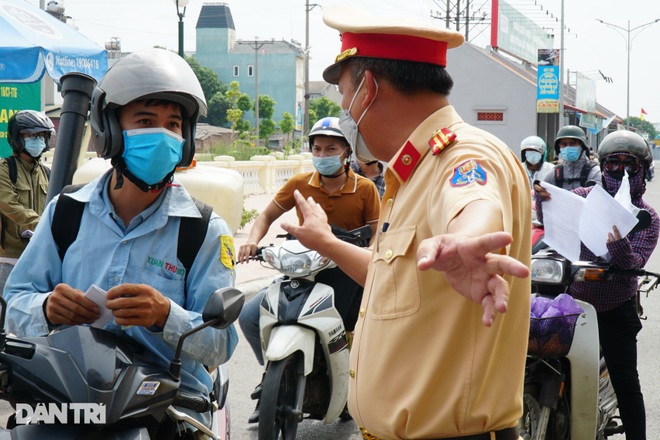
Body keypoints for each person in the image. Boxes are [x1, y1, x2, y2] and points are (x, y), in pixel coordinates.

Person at [278, 5, 532, 439]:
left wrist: (468, 240)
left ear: (369, 89)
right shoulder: (410, 172)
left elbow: (473, 202)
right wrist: (325, 241)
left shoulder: (462, 154)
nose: (344, 111)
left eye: (344, 94)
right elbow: (388, 278)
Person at [3, 48, 238, 435]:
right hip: (72, 395)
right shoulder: (65, 212)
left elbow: (221, 343)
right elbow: (16, 302)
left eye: (173, 125)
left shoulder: (204, 231)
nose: (163, 134)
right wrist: (47, 307)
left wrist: (166, 315)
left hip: (169, 403)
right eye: (145, 120)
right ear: (110, 130)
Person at [236, 115, 381, 423]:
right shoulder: (299, 184)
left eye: (331, 149)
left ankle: (351, 387)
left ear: (346, 153)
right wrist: (251, 242)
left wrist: (370, 251)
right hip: (303, 268)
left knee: (355, 328)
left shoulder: (366, 189)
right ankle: (276, 373)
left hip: (346, 273)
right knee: (250, 316)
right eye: (317, 148)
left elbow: (378, 230)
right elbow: (265, 216)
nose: (322, 155)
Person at [534, 130, 659, 440]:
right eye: (613, 163)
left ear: (643, 169)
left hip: (616, 305)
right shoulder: (583, 198)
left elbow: (633, 264)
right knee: (542, 356)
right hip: (574, 301)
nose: (620, 170)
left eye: (629, 164)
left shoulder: (649, 218)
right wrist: (543, 200)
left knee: (627, 382)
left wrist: (618, 245)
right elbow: (552, 220)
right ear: (602, 167)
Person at [0, 110, 54, 293]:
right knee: (6, 315)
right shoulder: (5, 169)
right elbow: (8, 204)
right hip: (9, 259)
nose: (37, 140)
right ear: (17, 137)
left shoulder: (47, 173)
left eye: (41, 135)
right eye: (31, 135)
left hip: (39, 257)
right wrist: (42, 224)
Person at [541, 125, 601, 189]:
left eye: (572, 143)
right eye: (563, 144)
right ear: (559, 147)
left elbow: (601, 194)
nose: (568, 147)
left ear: (582, 145)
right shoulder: (555, 173)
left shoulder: (594, 172)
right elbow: (541, 192)